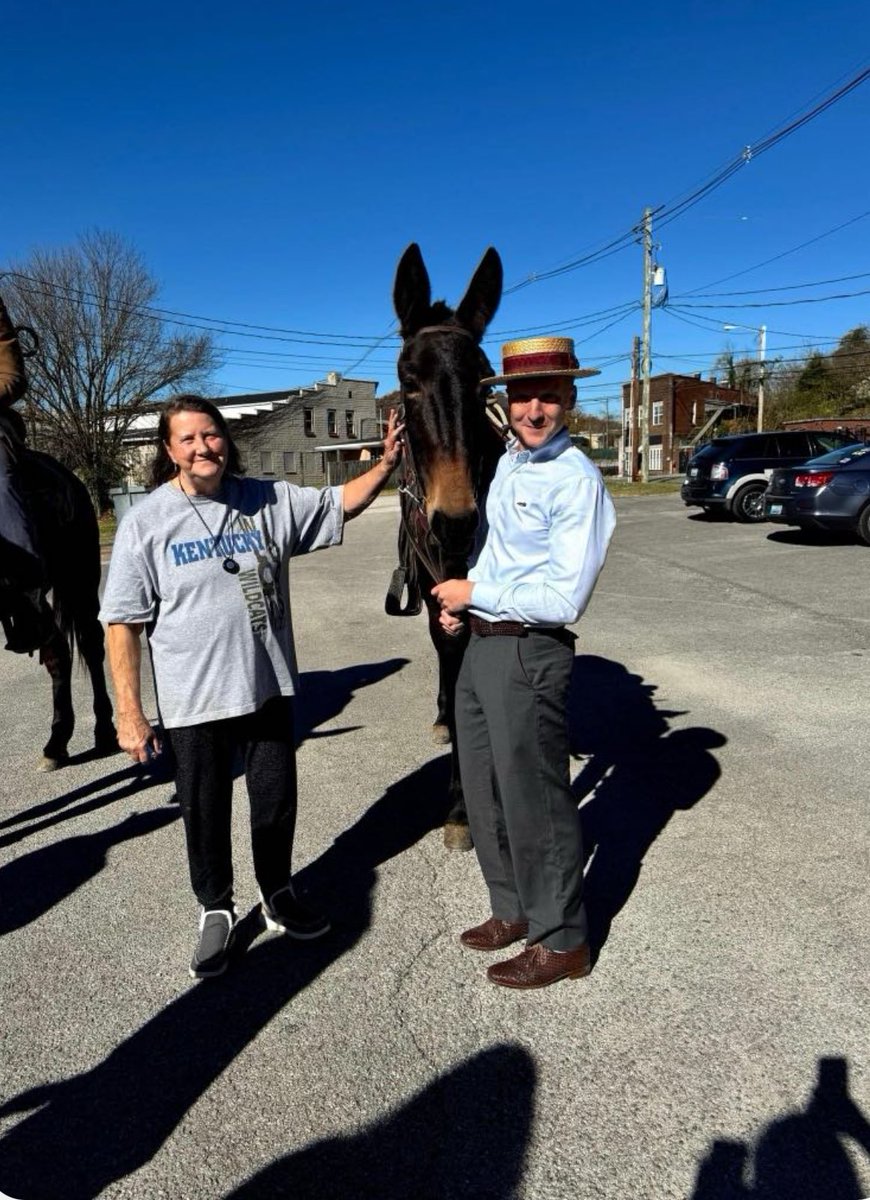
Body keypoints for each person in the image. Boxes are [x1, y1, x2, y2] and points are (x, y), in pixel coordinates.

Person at [100, 394, 403, 979]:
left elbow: (338, 503)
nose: (202, 447)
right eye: (187, 439)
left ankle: (277, 893)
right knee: (205, 809)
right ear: (169, 450)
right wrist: (129, 713)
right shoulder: (146, 523)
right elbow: (123, 625)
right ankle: (215, 907)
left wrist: (386, 466)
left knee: (274, 802)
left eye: (209, 434)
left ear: (224, 439)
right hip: (193, 703)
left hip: (267, 689)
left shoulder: (265, 500)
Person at [431, 336, 616, 990]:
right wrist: (464, 604)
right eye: (522, 396)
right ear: (504, 402)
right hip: (482, 644)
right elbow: (495, 553)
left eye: (548, 395)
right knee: (483, 791)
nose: (534, 409)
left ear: (569, 398)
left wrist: (478, 593)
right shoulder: (510, 462)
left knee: (535, 798)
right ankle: (512, 908)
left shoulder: (575, 479)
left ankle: (562, 939)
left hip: (529, 651)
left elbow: (565, 595)